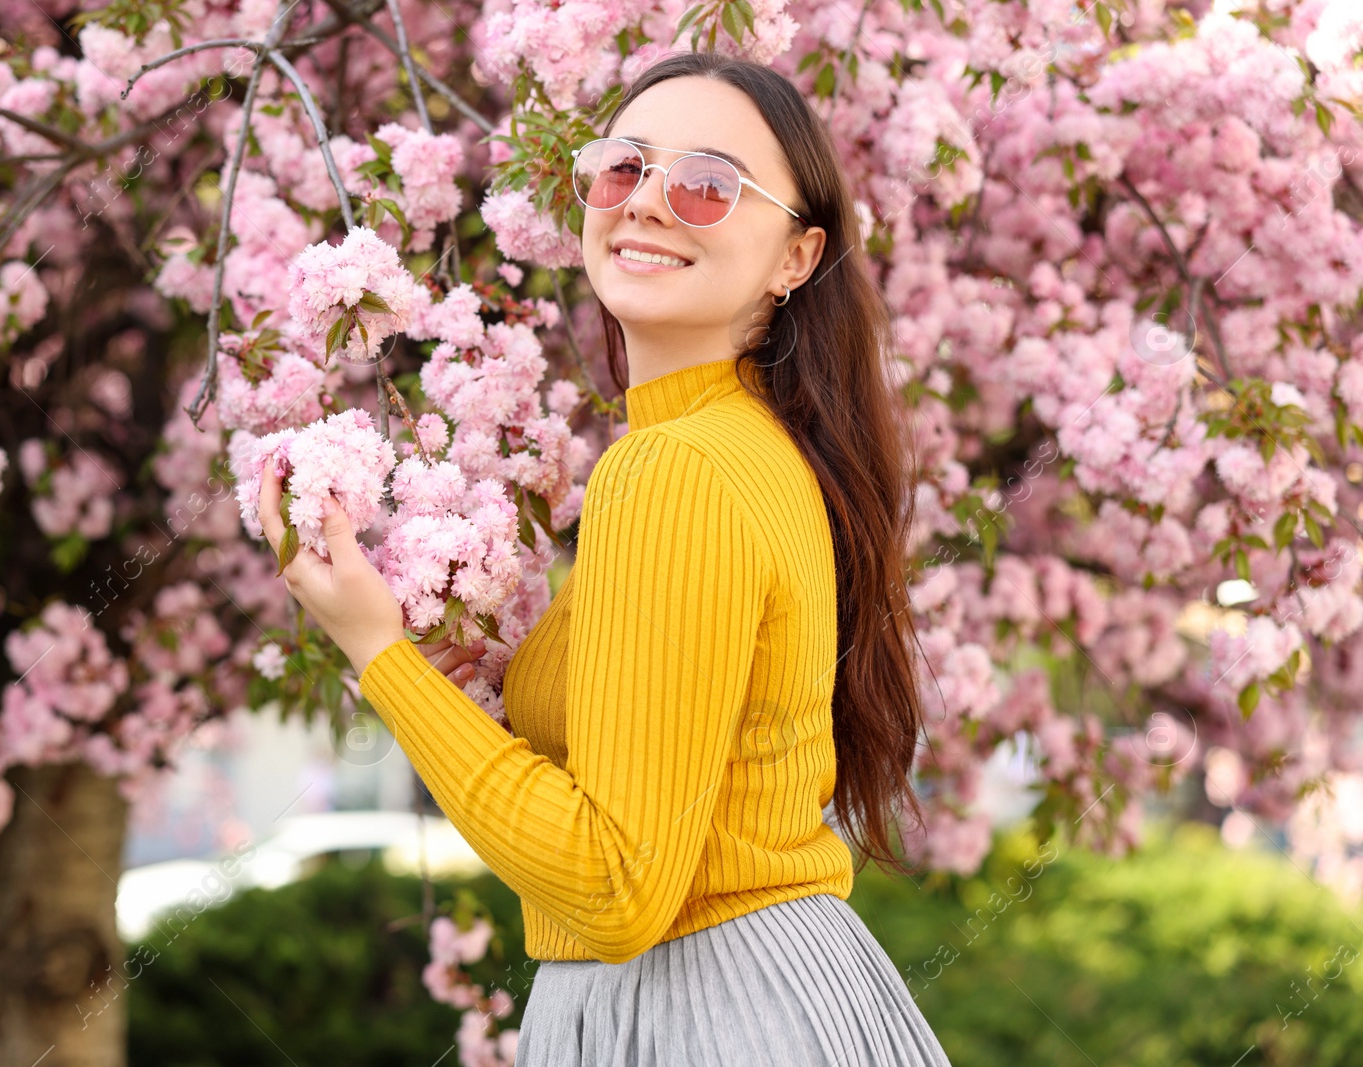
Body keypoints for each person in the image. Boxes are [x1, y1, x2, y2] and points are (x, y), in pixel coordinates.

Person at [258, 50, 952, 1067]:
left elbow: (616, 883)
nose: (649, 204)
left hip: (699, 1009)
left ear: (796, 258)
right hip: (775, 992)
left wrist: (380, 654)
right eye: (625, 168)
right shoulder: (753, 446)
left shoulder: (673, 468)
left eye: (708, 186)